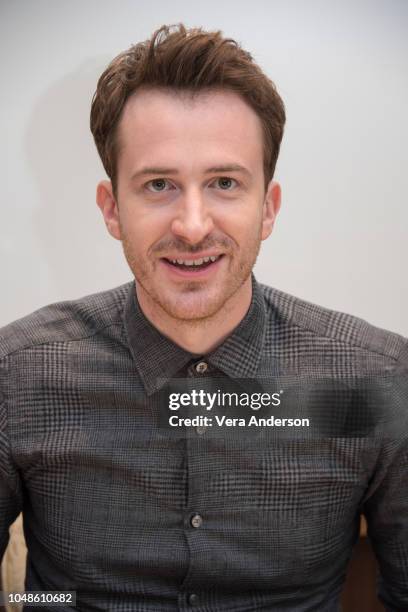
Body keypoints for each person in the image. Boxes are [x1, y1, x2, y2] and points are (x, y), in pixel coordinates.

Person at [0, 22, 407, 612]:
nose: (192, 226)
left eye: (224, 183)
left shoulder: (374, 383)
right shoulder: (17, 378)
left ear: (267, 207)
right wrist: (49, 601)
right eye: (159, 184)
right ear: (112, 209)